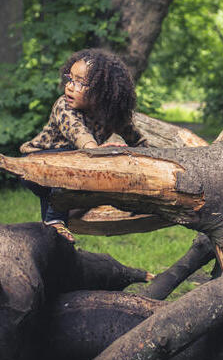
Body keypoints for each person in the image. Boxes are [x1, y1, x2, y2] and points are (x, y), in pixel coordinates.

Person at [20, 48, 149, 242]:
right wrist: (94, 150)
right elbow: (78, 132)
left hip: (76, 162)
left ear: (103, 90)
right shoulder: (64, 106)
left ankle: (64, 218)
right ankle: (54, 221)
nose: (70, 86)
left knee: (91, 181)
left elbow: (137, 140)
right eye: (70, 79)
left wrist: (149, 158)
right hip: (37, 162)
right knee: (68, 171)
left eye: (80, 82)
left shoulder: (111, 113)